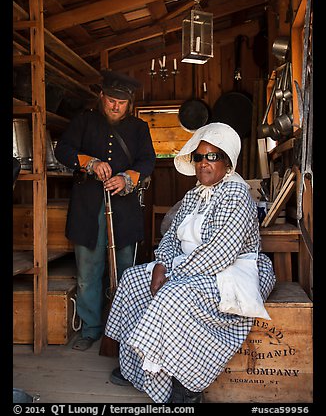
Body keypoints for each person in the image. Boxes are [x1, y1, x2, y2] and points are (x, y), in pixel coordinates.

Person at [104, 121, 276, 403]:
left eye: (212, 157)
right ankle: (138, 365)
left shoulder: (235, 194)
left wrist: (171, 271)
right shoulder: (193, 195)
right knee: (134, 279)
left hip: (230, 271)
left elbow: (220, 253)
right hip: (188, 265)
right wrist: (161, 263)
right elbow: (172, 236)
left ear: (227, 163)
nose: (204, 164)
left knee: (174, 295)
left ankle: (186, 385)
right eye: (199, 157)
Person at [54, 70, 156, 351]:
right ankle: (91, 328)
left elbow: (148, 161)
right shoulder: (84, 121)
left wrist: (127, 178)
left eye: (121, 103)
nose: (115, 106)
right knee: (88, 271)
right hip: (88, 207)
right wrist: (89, 163)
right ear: (102, 96)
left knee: (127, 271)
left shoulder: (138, 128)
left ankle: (127, 329)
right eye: (111, 100)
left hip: (124, 209)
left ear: (129, 104)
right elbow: (63, 150)